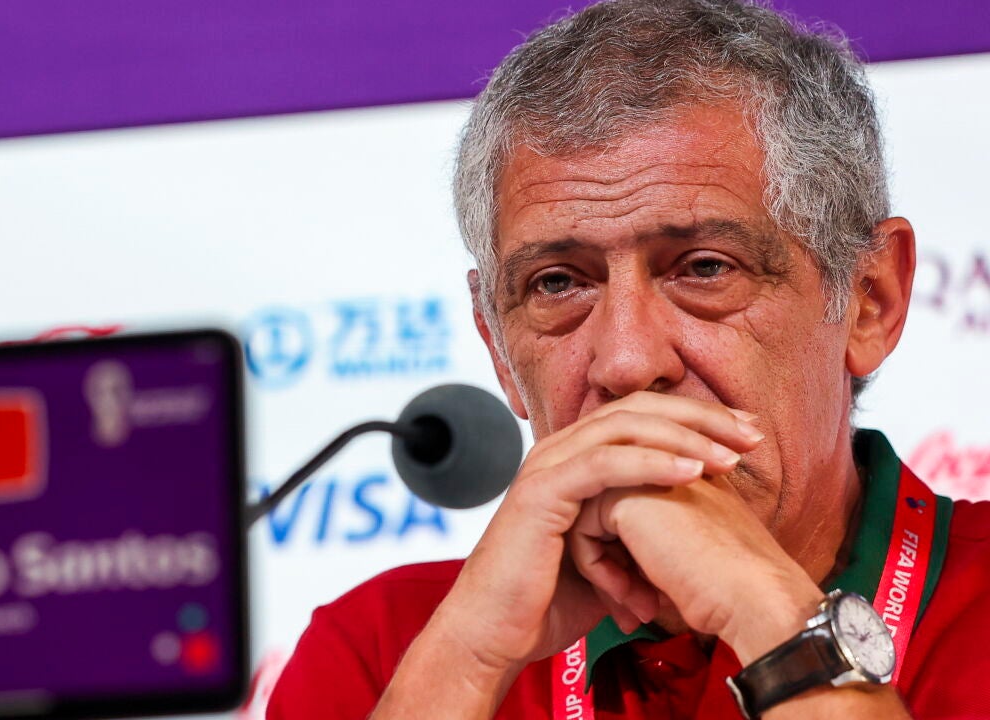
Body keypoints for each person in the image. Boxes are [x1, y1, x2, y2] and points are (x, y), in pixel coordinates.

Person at [266, 0, 990, 718]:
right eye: (558, 284)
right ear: (499, 349)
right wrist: (467, 663)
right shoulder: (384, 651)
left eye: (704, 268)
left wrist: (766, 608)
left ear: (870, 301)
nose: (626, 363)